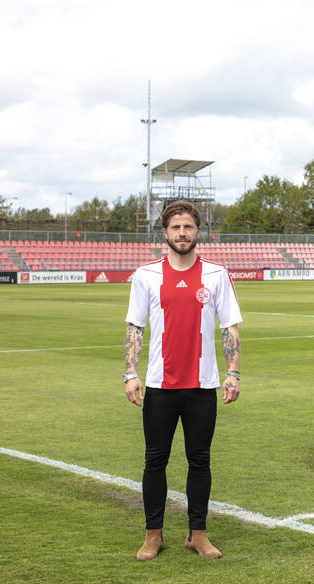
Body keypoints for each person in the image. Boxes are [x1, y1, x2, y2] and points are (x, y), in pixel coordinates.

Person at [123, 200, 243, 561]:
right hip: (160, 386)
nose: (182, 233)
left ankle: (198, 535)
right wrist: (131, 373)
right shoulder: (146, 276)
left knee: (200, 461)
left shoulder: (216, 275)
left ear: (197, 231)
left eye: (188, 227)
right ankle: (153, 536)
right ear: (165, 232)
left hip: (202, 386)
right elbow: (135, 327)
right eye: (175, 227)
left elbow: (230, 328)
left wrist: (233, 372)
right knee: (154, 461)